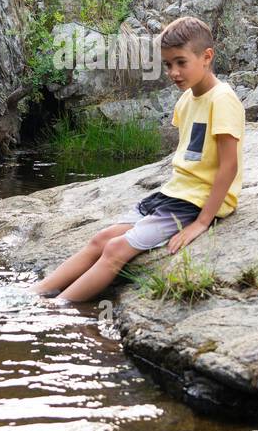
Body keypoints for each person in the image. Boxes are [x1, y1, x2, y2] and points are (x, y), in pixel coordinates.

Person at [29, 16, 244, 301]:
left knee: (116, 250)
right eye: (168, 65)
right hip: (174, 195)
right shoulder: (186, 100)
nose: (173, 72)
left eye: (181, 62)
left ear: (206, 57)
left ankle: (56, 308)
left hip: (196, 203)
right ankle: (33, 294)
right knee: (101, 239)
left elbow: (229, 165)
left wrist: (202, 222)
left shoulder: (223, 99)